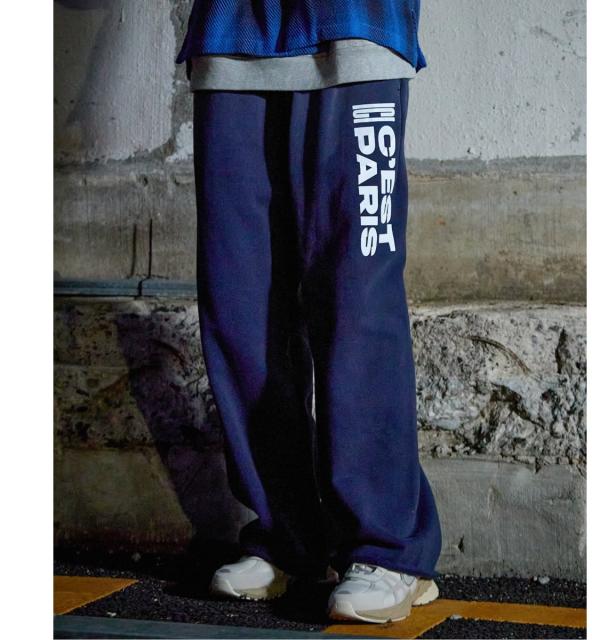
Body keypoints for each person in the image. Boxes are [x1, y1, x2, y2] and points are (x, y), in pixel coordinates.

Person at [175, 0, 442, 624]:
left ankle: (387, 548)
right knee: (241, 308)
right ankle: (287, 537)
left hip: (355, 31)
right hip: (230, 39)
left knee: (356, 302)